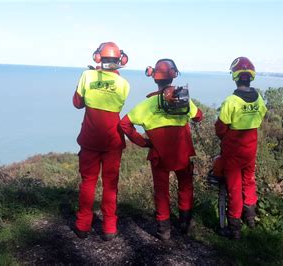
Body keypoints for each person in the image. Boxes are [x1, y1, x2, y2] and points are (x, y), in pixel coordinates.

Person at [120, 59, 203, 241]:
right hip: (182, 151)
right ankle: (185, 223)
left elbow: (124, 124)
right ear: (173, 76)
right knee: (186, 186)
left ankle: (164, 230)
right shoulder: (182, 99)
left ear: (155, 78)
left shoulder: (148, 104)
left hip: (159, 154)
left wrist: (143, 142)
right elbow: (199, 117)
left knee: (161, 191)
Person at [72, 42, 130, 241]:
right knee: (110, 184)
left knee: (88, 182)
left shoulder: (87, 76)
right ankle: (109, 228)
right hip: (112, 141)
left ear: (98, 58)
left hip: (89, 139)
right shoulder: (124, 84)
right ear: (120, 61)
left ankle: (82, 225)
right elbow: (117, 104)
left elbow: (77, 103)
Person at [215, 57, 267, 239]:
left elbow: (221, 127)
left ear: (235, 77)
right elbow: (260, 117)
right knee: (249, 180)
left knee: (234, 187)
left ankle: (234, 227)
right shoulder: (258, 98)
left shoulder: (231, 100)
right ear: (251, 77)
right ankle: (250, 217)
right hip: (250, 147)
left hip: (233, 150)